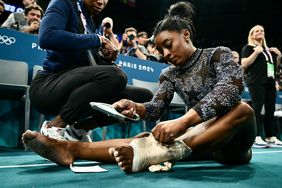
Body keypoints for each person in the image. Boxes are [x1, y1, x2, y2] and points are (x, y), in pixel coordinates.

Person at [22, 1, 256, 174]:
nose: (165, 54)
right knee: (149, 137)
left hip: (234, 145)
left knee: (243, 109)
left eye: (168, 45)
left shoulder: (219, 54)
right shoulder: (169, 74)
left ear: (186, 35)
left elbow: (231, 88)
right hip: (198, 140)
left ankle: (155, 152)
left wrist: (183, 121)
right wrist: (134, 106)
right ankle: (70, 149)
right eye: (160, 50)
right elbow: (155, 108)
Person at [30, 0, 153, 142]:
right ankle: (54, 127)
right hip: (48, 86)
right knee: (116, 76)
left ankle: (80, 129)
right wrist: (98, 40)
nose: (101, 1)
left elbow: (89, 64)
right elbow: (46, 37)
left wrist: (107, 61)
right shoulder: (63, 3)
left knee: (143, 96)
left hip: (77, 89)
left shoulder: (90, 22)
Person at [241, 25, 282, 148]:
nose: (260, 32)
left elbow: (272, 66)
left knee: (270, 109)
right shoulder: (248, 48)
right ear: (252, 35)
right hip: (256, 82)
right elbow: (244, 64)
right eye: (257, 31)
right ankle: (256, 137)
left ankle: (270, 137)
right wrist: (256, 53)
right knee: (257, 109)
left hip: (269, 82)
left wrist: (279, 56)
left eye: (262, 31)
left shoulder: (268, 50)